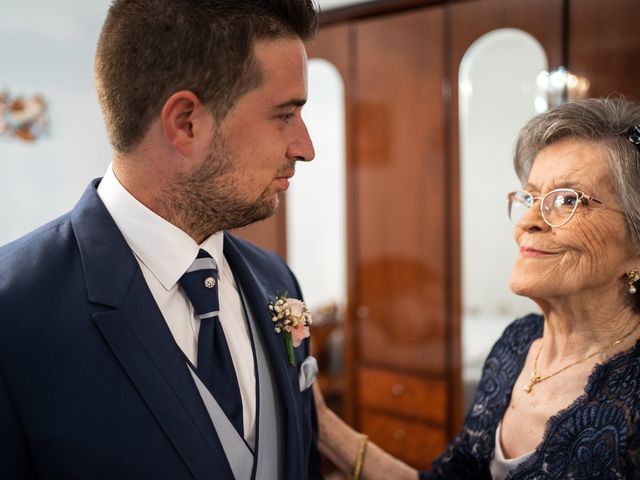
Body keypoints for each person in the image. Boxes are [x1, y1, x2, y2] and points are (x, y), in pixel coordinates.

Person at [0, 1, 323, 479]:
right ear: (186, 123)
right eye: (284, 115)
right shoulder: (13, 312)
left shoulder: (277, 280)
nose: (306, 147)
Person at [313, 97, 640, 479]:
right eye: (530, 198)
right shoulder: (517, 345)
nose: (528, 222)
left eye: (567, 200)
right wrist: (321, 422)